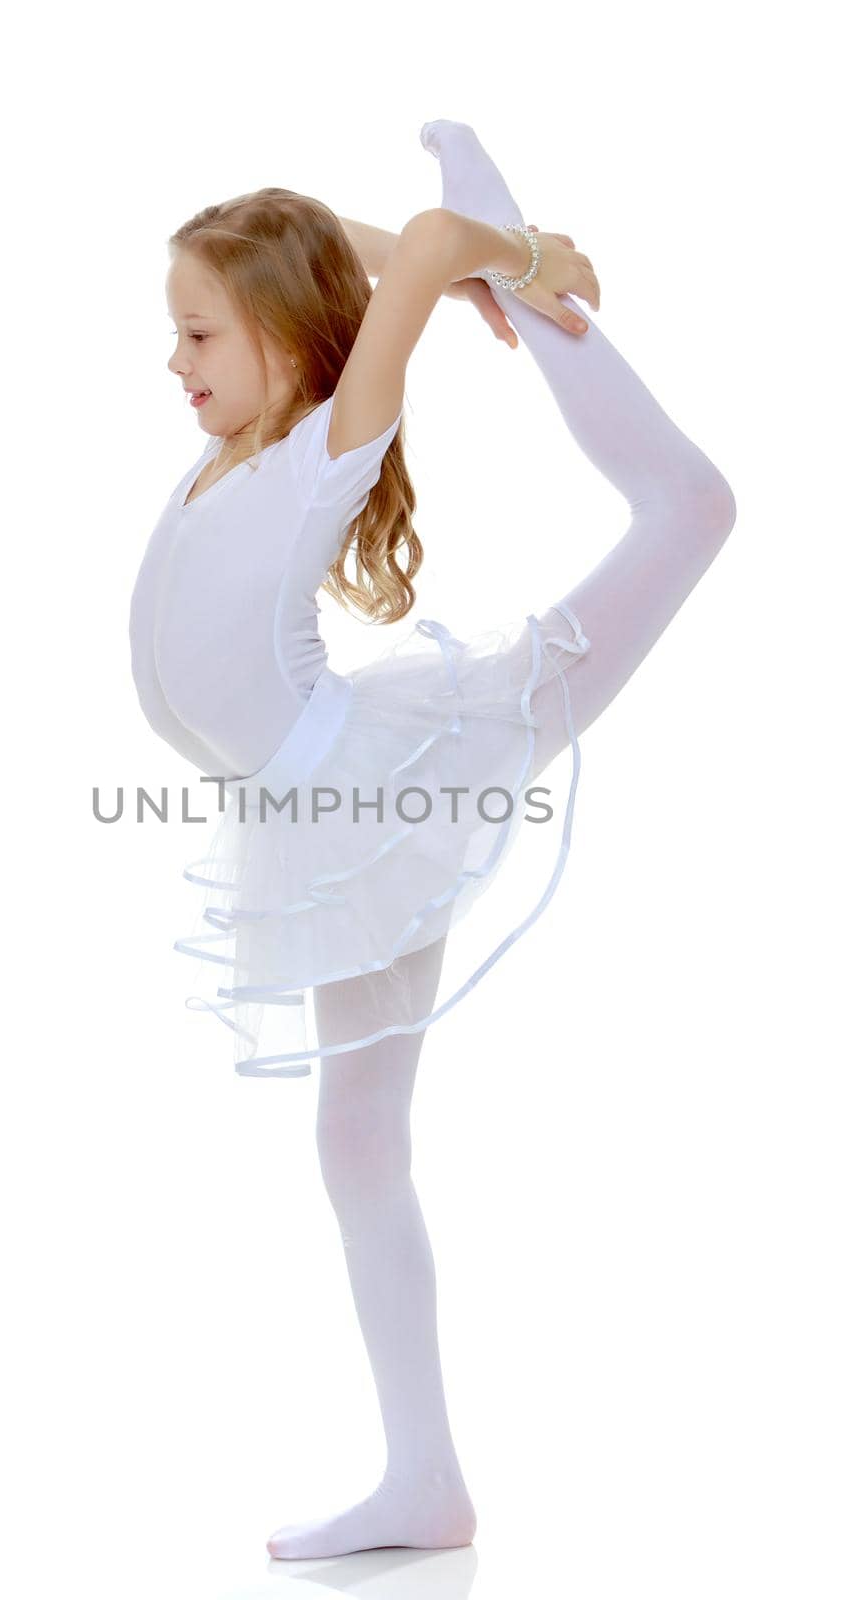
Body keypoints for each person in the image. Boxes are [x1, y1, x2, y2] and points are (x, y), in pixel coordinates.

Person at [128, 120, 736, 1559]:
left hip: (392, 790)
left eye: (198, 332)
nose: (173, 362)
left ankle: (423, 1473)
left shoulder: (321, 452)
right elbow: (312, 250)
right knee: (354, 1140)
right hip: (329, 815)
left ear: (279, 337)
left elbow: (395, 263)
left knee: (693, 510)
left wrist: (505, 255)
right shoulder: (247, 437)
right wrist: (429, 256)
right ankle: (425, 1477)